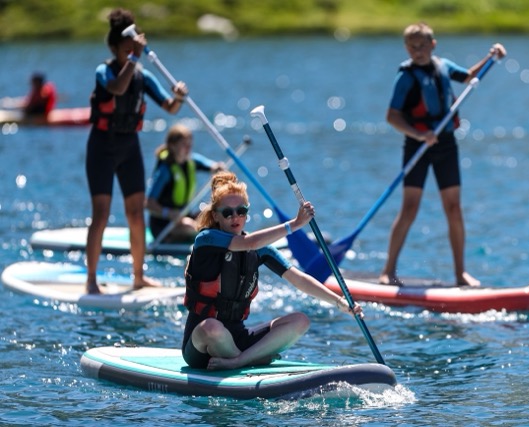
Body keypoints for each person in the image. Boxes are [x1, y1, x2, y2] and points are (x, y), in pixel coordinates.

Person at [182, 171, 363, 370]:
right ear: (216, 216)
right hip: (201, 347)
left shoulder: (261, 250)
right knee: (212, 328)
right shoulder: (206, 239)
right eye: (227, 212)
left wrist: (340, 302)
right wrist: (294, 225)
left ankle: (240, 361)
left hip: (239, 340)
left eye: (241, 211)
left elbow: (299, 279)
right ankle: (247, 360)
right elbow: (250, 241)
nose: (235, 217)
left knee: (300, 321)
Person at [379, 22, 507, 287]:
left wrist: (491, 56)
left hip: (446, 145)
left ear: (432, 45)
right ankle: (388, 271)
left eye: (422, 45)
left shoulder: (444, 66)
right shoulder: (405, 77)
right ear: (406, 48)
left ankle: (460, 274)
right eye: (412, 47)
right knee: (409, 208)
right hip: (418, 146)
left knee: (453, 208)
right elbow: (392, 117)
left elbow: (471, 75)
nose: (418, 51)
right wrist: (419, 135)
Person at [84, 8, 189, 294]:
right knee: (101, 213)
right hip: (102, 147)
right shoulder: (104, 71)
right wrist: (134, 58)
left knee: (134, 213)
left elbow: (170, 108)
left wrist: (179, 95)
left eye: (134, 49)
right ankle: (91, 279)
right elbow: (117, 89)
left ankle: (138, 276)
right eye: (126, 50)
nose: (131, 53)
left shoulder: (143, 77)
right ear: (115, 48)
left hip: (129, 147)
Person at [146, 123, 226, 243]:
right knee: (190, 226)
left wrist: (217, 167)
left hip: (184, 217)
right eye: (184, 145)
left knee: (213, 214)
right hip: (163, 226)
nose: (188, 149)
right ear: (173, 146)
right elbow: (148, 203)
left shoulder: (191, 161)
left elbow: (211, 166)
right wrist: (169, 213)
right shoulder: (165, 170)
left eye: (189, 145)